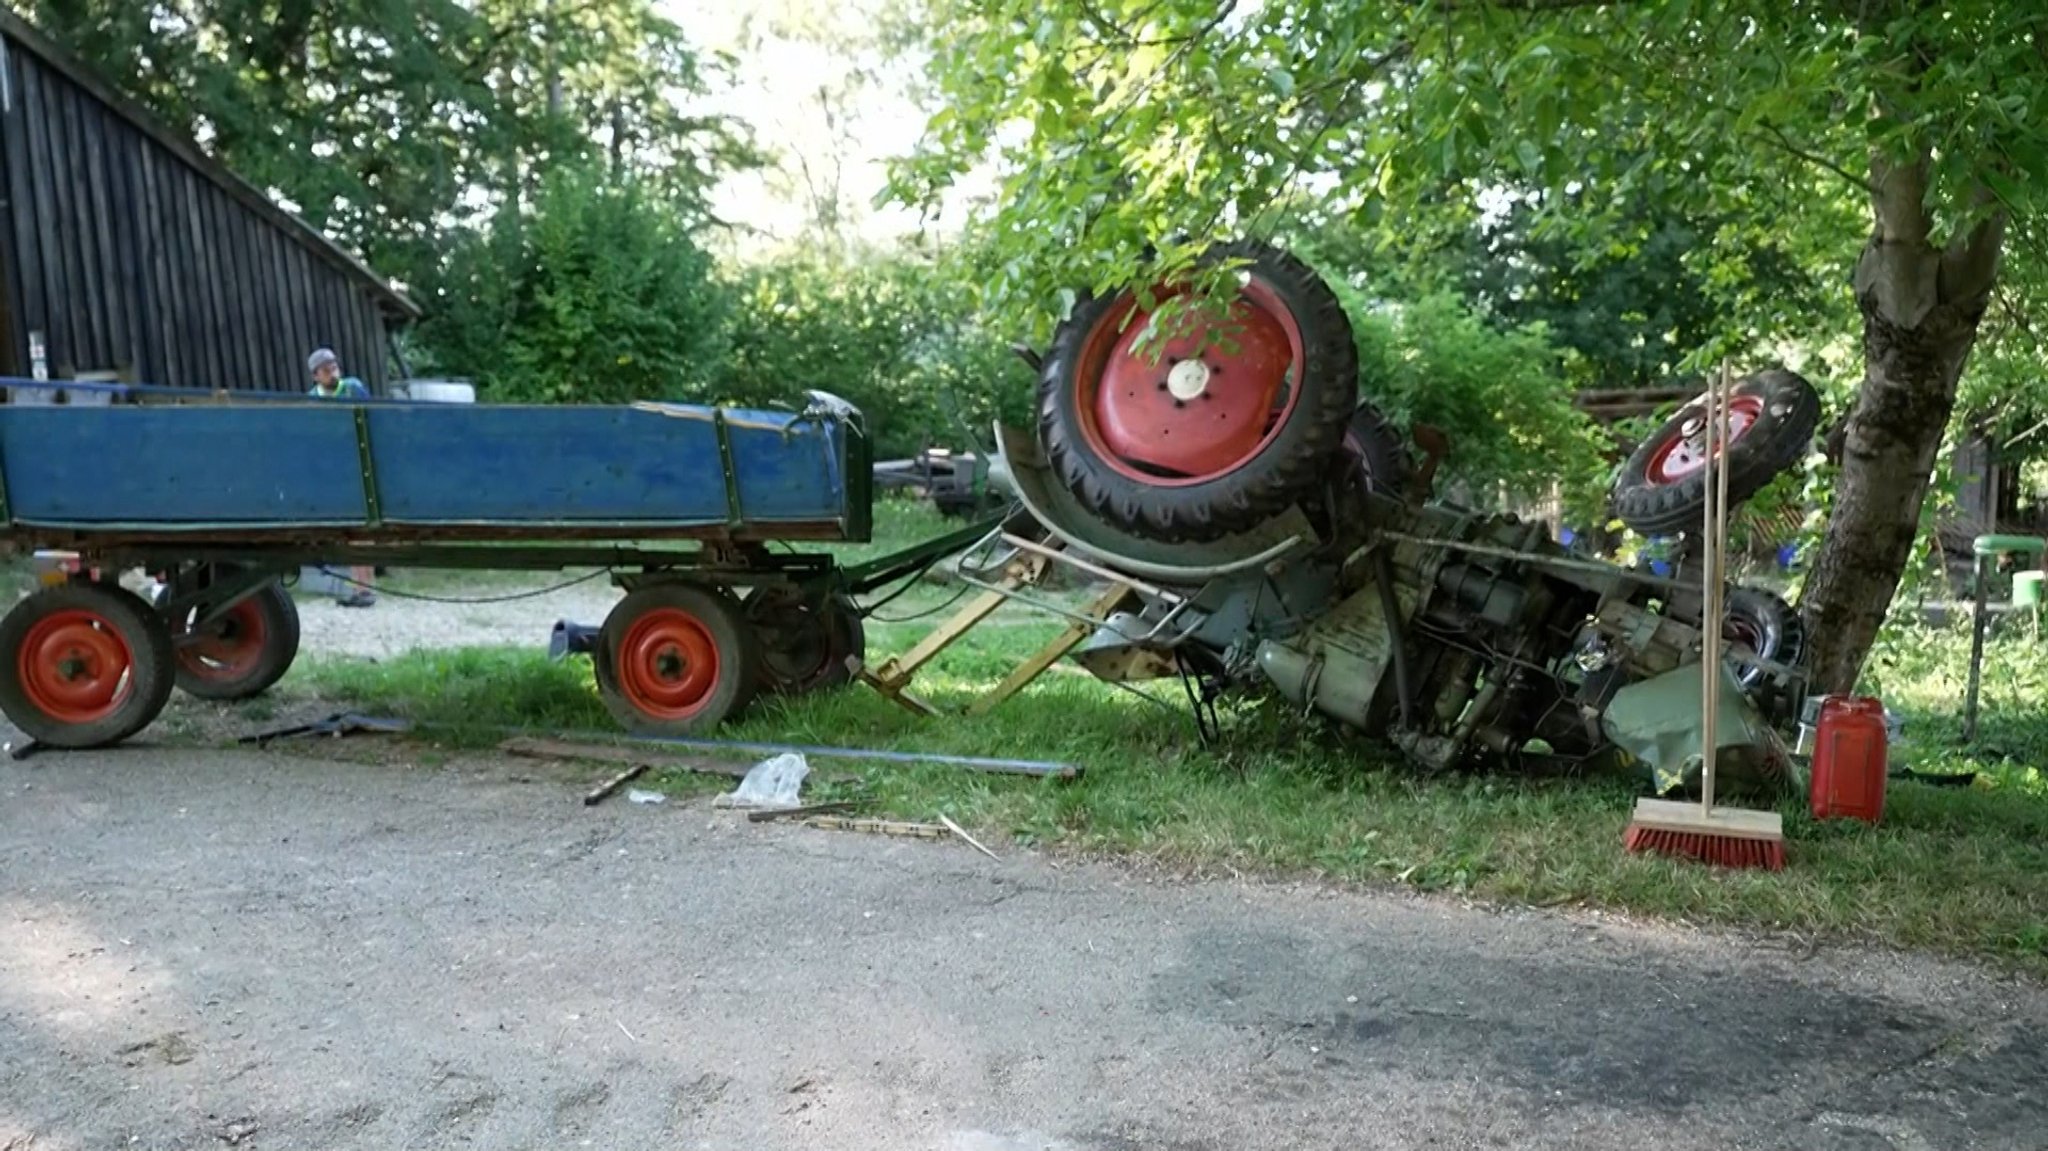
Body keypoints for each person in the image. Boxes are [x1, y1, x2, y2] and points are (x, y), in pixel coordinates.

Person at [305, 348, 376, 607]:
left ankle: (364, 587)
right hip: (330, 469)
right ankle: (354, 586)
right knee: (345, 529)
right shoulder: (311, 399)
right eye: (326, 368)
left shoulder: (352, 388)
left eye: (333, 365)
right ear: (316, 375)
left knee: (361, 528)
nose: (332, 371)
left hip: (356, 464)